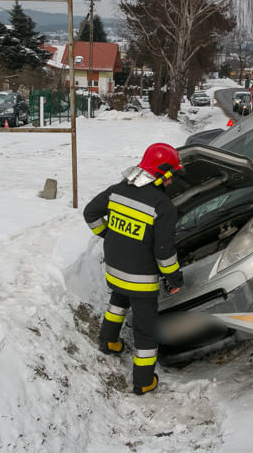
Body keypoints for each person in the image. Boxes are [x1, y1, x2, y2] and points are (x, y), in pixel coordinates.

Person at [83, 143, 184, 395]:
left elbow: (90, 213)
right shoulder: (162, 207)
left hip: (115, 269)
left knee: (118, 301)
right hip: (140, 280)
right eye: (173, 174)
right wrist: (174, 278)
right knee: (145, 330)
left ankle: (108, 341)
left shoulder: (118, 190)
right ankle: (143, 381)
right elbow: (163, 253)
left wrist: (107, 234)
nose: (173, 181)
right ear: (163, 174)